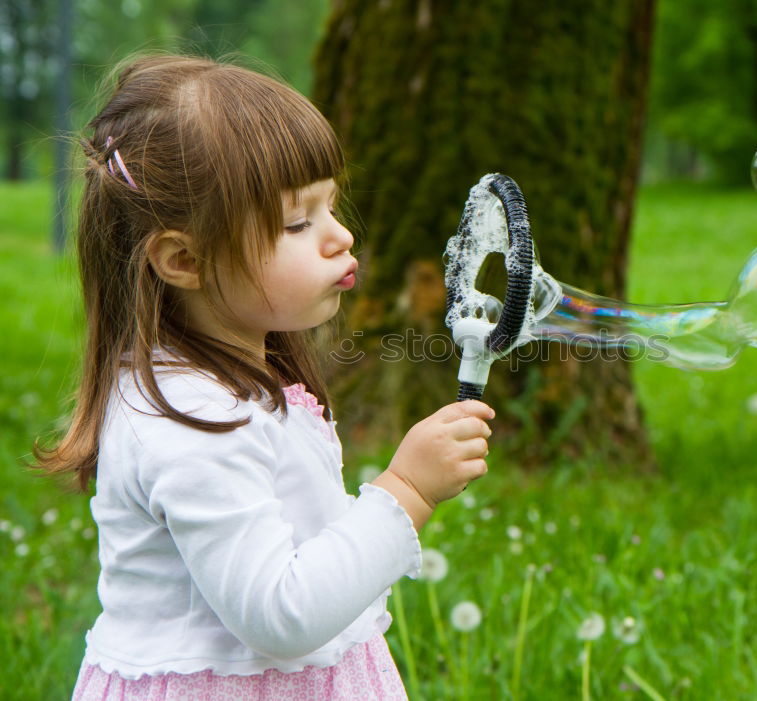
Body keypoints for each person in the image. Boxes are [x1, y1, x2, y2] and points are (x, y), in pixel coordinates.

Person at [34, 54, 494, 700]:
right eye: (298, 222)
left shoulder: (236, 376)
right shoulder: (188, 423)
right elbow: (281, 614)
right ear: (184, 258)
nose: (340, 237)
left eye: (331, 206)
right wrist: (408, 488)